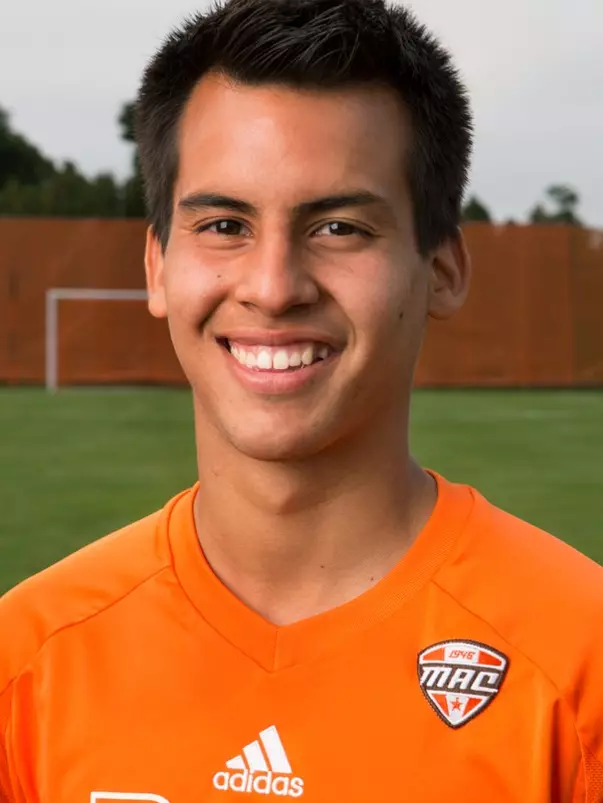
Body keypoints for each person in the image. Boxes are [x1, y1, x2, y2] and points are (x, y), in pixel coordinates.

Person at [1, 0, 602, 800]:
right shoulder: (28, 661)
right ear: (156, 267)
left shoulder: (579, 659)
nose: (273, 286)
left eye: (339, 228)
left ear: (444, 270)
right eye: (223, 224)